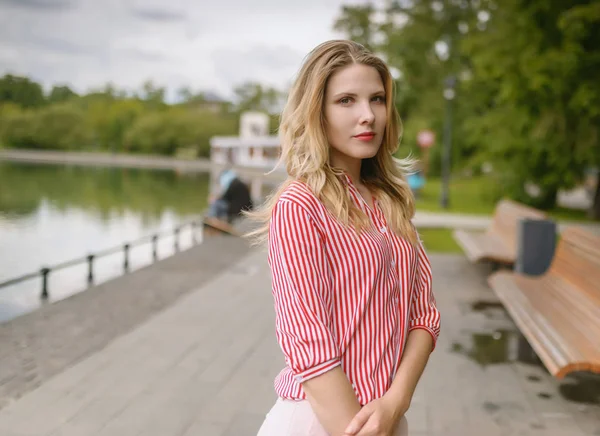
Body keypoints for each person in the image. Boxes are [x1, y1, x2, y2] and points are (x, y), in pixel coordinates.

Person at [245, 40, 441, 436]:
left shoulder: (390, 201)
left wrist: (394, 403)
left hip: (385, 418)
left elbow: (424, 315)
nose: (368, 115)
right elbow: (309, 347)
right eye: (346, 101)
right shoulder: (300, 205)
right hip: (320, 421)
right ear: (317, 111)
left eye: (377, 99)